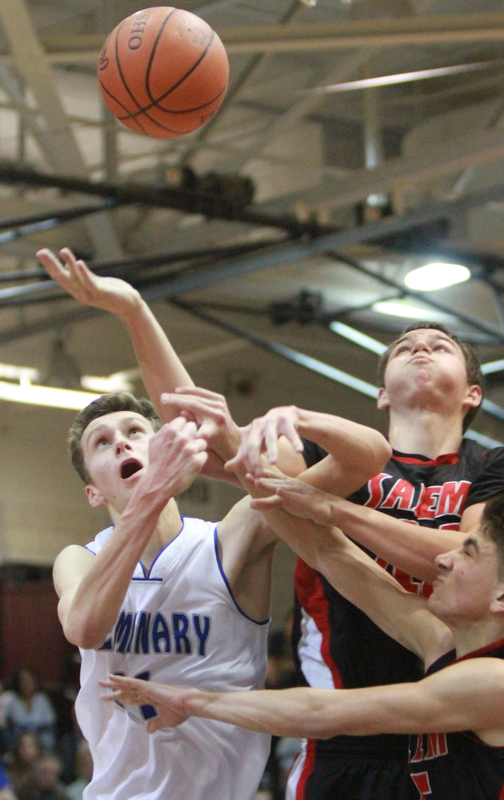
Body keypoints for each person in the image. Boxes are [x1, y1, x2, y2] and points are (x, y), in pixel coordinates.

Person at [38, 249, 390, 800]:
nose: (122, 442)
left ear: (168, 447)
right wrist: (151, 495)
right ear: (92, 490)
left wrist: (132, 308)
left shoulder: (232, 536)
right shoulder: (79, 559)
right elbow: (85, 628)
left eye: (135, 430)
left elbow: (361, 463)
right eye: (102, 443)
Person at [101, 492, 504, 799]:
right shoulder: (449, 646)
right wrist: (252, 472)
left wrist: (191, 701)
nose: (442, 557)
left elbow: (322, 714)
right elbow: (332, 556)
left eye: (467, 552)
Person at [231, 323, 504, 799]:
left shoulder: (500, 464)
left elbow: (482, 565)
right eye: (404, 348)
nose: (421, 348)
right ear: (381, 395)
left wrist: (339, 512)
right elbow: (252, 473)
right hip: (345, 732)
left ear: (473, 393)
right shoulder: (329, 456)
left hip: (463, 725)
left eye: (441, 347)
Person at [3, 669, 56, 753]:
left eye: (30, 680)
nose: (27, 684)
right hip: (16, 745)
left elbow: (50, 725)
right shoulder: (9, 698)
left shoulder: (42, 699)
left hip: (41, 744)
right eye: (23, 681)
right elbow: (3, 723)